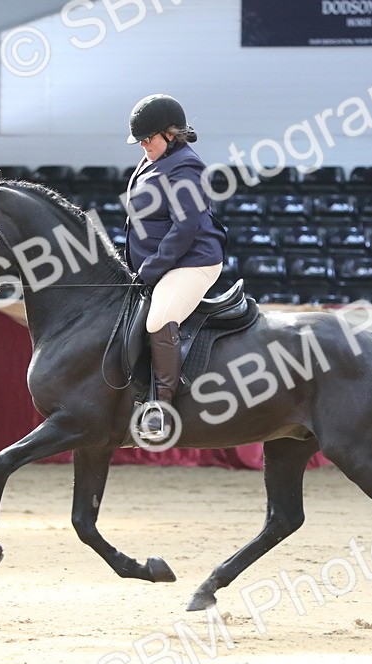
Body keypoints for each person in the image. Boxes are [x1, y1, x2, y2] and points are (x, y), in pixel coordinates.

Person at [123, 94, 227, 443]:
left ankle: (160, 409)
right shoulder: (152, 160)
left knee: (157, 318)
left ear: (170, 134)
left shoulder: (186, 166)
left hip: (193, 261)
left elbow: (184, 230)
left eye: (147, 138)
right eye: (139, 140)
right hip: (163, 263)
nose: (142, 145)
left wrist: (149, 270)